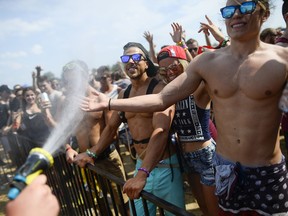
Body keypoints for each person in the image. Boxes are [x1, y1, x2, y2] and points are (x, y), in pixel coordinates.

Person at [81, 0, 288, 215]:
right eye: (229, 10)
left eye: (244, 7)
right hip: (225, 170)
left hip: (267, 172)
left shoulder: (282, 60)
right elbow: (161, 99)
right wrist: (109, 102)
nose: (236, 14)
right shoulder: (208, 63)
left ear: (264, 14)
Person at [75, 42, 185, 216]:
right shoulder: (124, 95)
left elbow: (161, 132)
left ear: (146, 63)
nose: (130, 61)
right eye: (126, 58)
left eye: (136, 57)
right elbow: (111, 128)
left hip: (165, 167)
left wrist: (142, 174)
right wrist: (92, 153)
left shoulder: (159, 89)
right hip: (141, 165)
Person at [157, 45, 218, 216]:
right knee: (203, 209)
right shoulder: (169, 94)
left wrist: (182, 44)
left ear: (183, 64)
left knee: (215, 211)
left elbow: (203, 69)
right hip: (185, 158)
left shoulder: (198, 88)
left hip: (206, 156)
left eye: (174, 67)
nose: (169, 73)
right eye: (164, 71)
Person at [62, 60, 130, 215]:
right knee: (100, 202)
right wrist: (68, 147)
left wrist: (92, 153)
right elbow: (64, 131)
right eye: (68, 80)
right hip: (85, 164)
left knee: (123, 201)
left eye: (74, 79)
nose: (71, 84)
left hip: (106, 158)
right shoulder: (69, 103)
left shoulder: (101, 99)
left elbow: (112, 132)